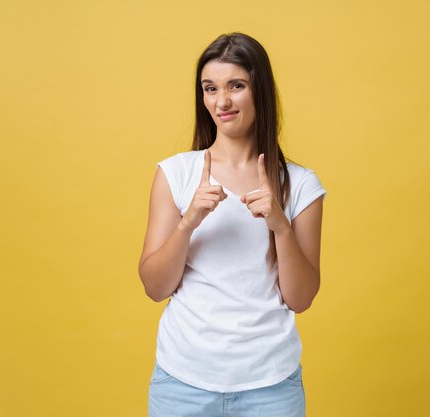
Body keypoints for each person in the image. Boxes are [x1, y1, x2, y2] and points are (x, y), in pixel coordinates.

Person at [138, 32, 326, 417]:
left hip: (271, 387)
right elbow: (155, 287)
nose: (221, 101)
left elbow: (301, 298)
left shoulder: (301, 185)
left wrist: (281, 226)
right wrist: (188, 222)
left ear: (260, 91)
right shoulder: (175, 174)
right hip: (182, 383)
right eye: (210, 88)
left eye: (235, 86)